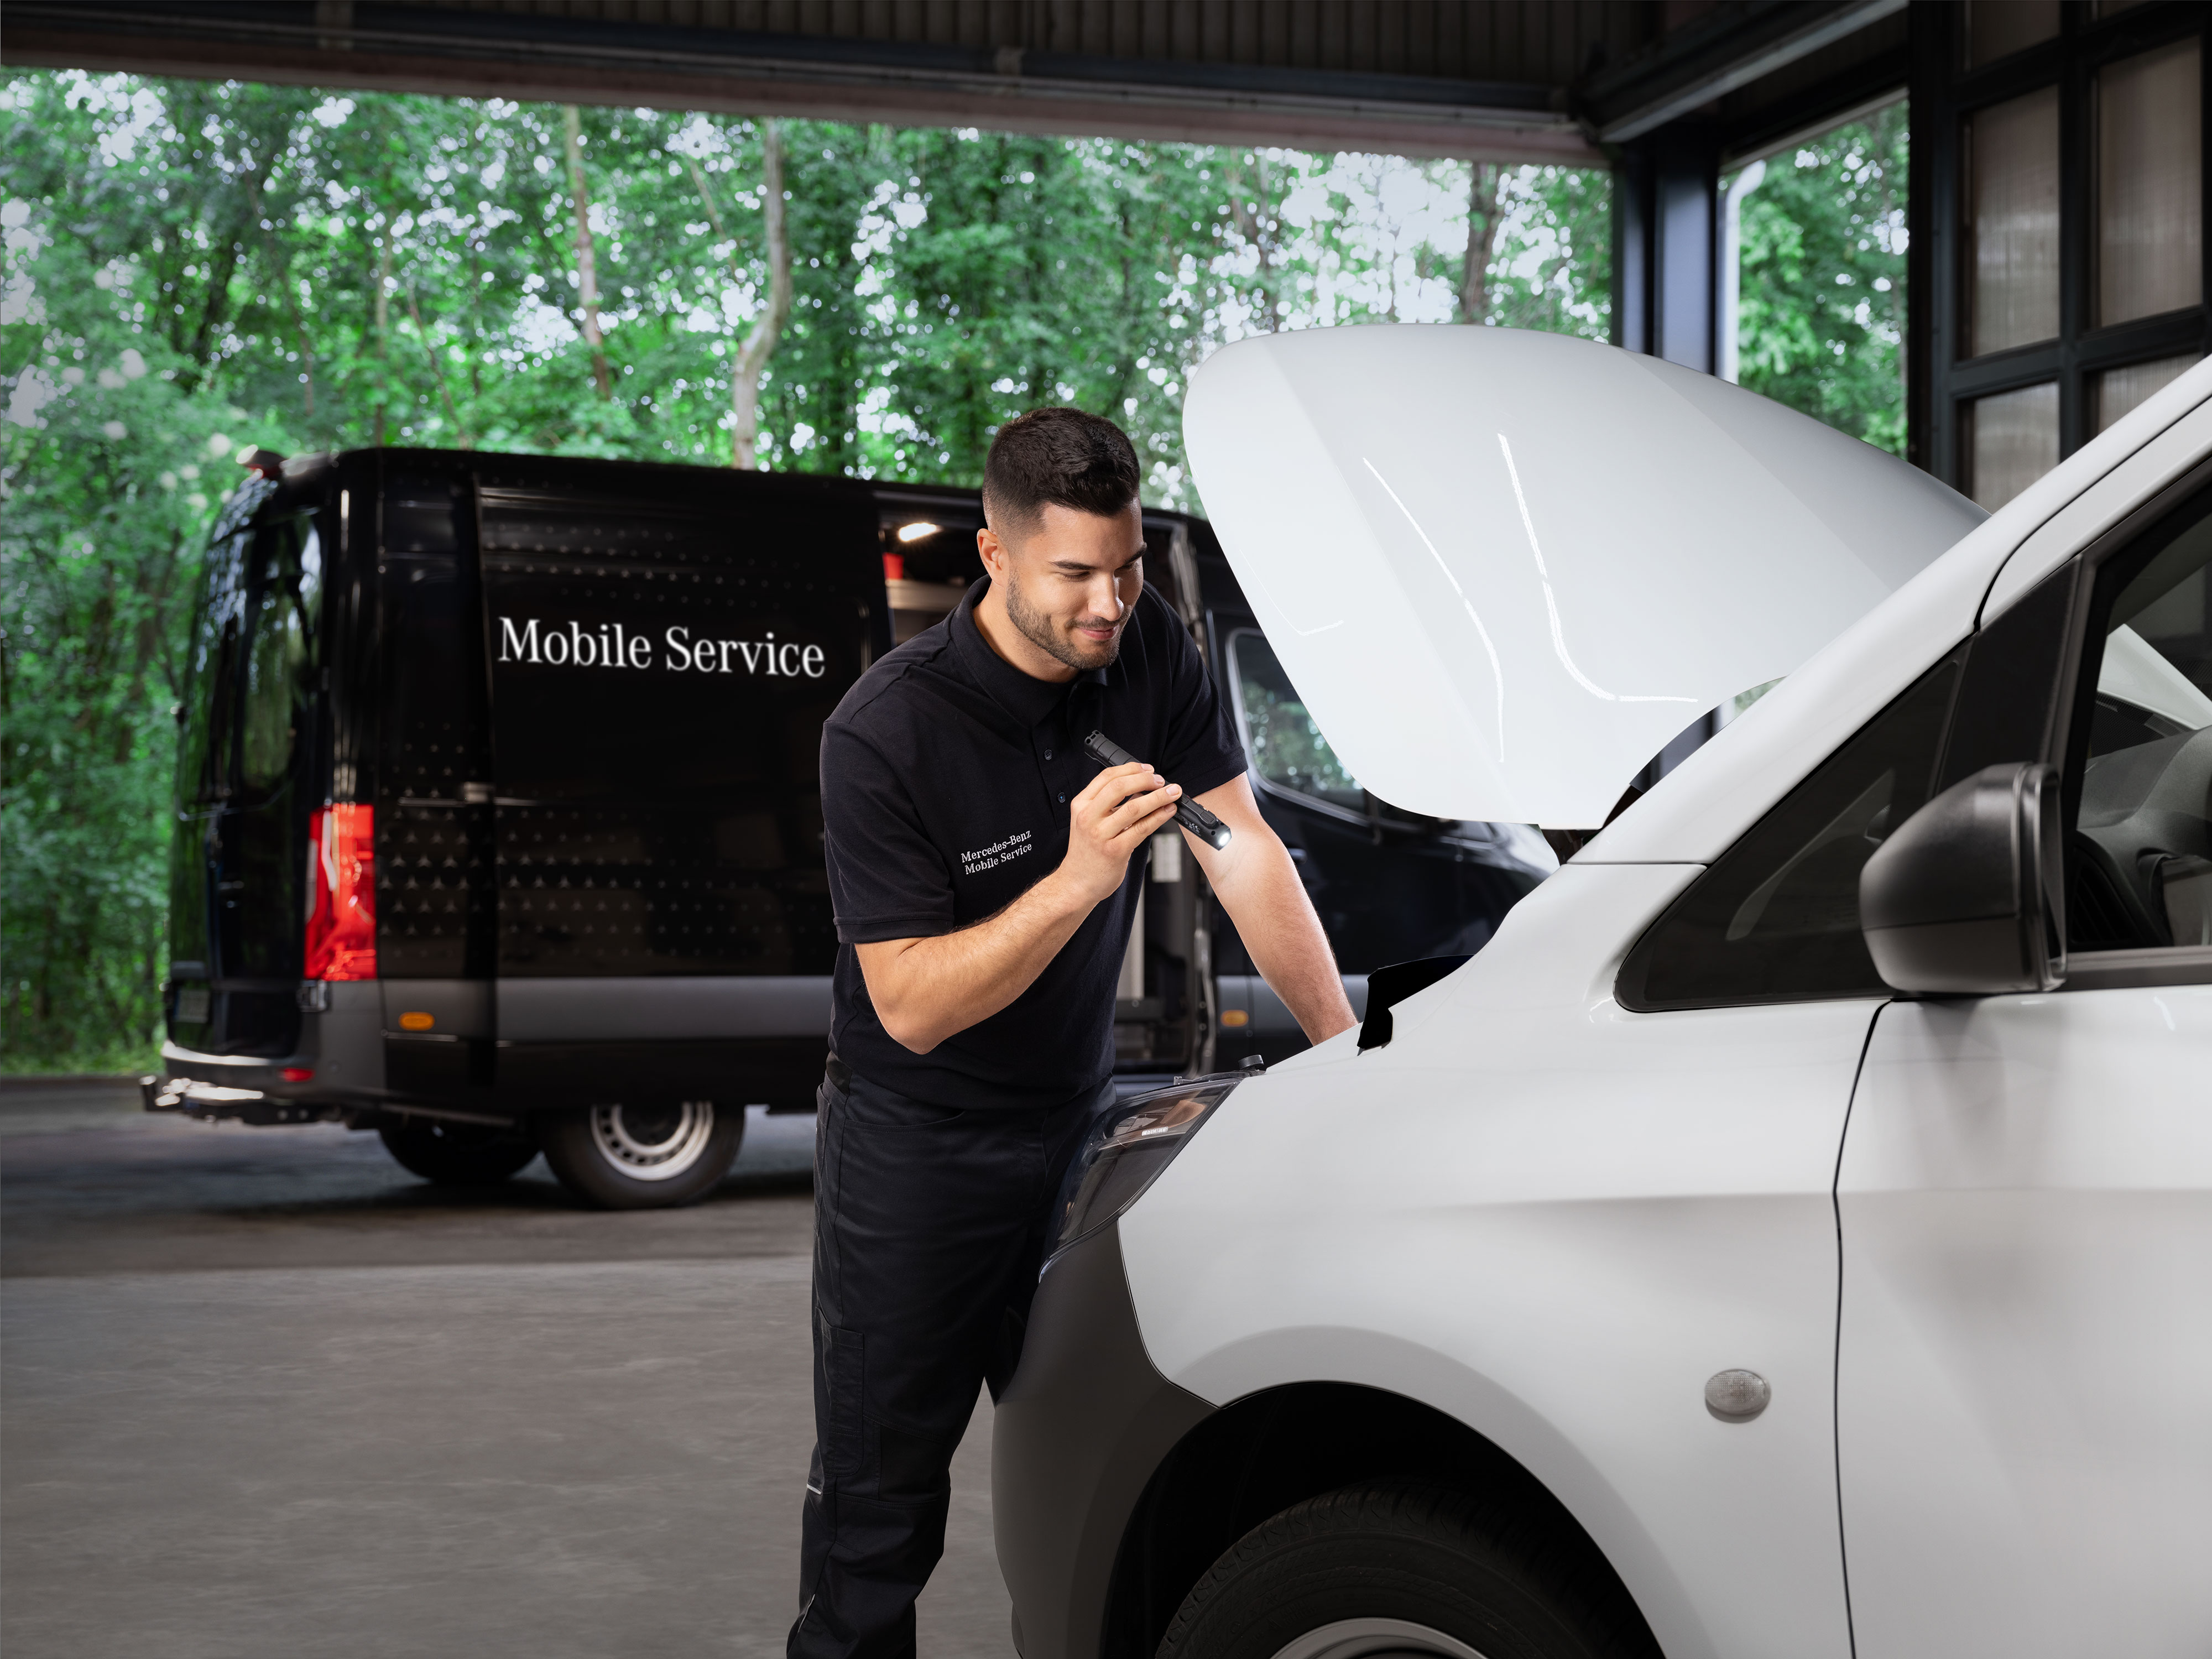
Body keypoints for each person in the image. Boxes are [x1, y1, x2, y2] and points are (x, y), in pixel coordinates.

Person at [791, 406, 1356, 1657]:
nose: (1109, 603)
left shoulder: (1146, 645)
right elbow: (913, 1005)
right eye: (1074, 576)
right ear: (994, 558)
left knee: (1108, 1466)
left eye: (1127, 566)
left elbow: (1239, 847)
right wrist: (1074, 876)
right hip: (916, 1149)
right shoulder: (883, 734)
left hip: (1078, 1126)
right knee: (881, 1503)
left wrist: (1343, 1056)